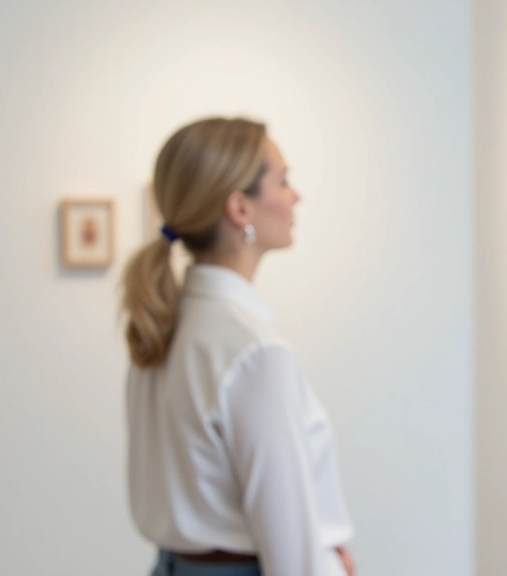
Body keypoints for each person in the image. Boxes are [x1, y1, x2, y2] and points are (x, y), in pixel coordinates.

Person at [121, 117, 355, 576]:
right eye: (283, 181)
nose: (296, 197)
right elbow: (293, 560)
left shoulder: (161, 322)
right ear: (239, 209)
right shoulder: (255, 353)